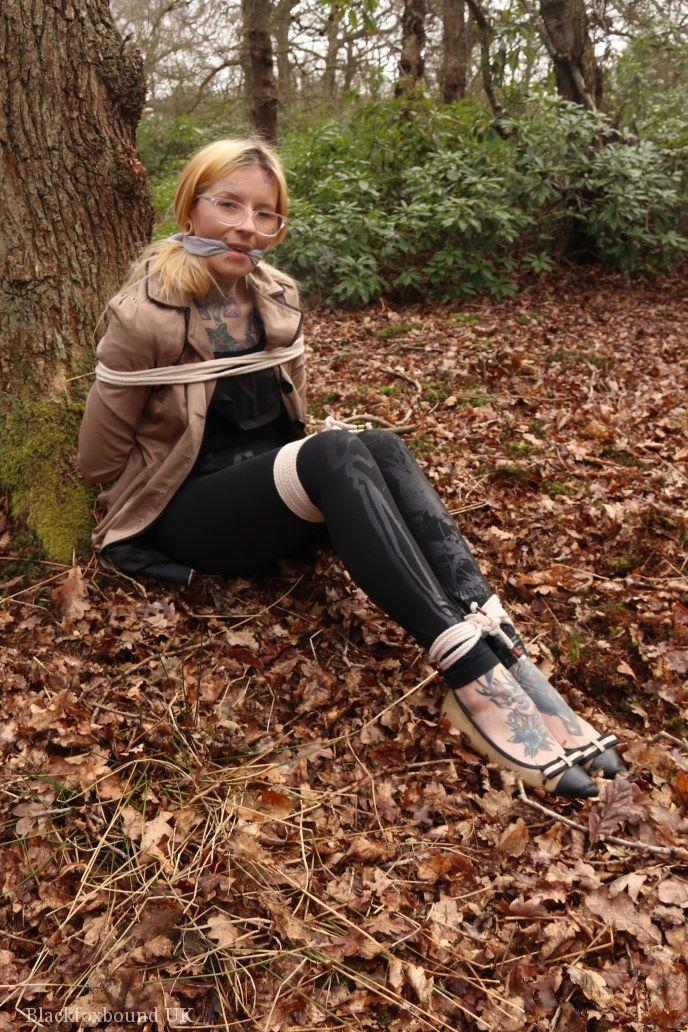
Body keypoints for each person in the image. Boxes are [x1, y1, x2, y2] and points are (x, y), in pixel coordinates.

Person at [77, 137, 626, 800]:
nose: (245, 226)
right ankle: (469, 674)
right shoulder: (143, 315)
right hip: (188, 510)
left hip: (272, 495)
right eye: (227, 204)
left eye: (264, 213)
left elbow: (289, 415)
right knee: (336, 451)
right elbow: (98, 460)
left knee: (384, 445)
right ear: (190, 208)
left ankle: (495, 635)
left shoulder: (276, 295)